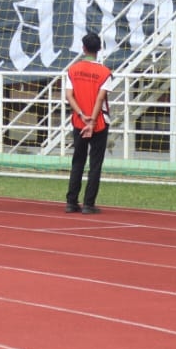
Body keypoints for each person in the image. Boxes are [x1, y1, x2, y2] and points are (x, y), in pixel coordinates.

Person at [64, 31, 113, 214]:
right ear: (99, 49)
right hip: (99, 122)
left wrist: (82, 115)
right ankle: (88, 204)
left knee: (77, 161)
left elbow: (69, 95)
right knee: (95, 164)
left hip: (78, 121)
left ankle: (71, 202)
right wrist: (91, 120)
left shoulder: (73, 70)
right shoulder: (105, 72)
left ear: (83, 48)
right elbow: (100, 99)